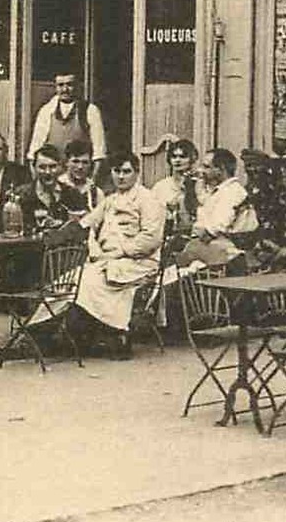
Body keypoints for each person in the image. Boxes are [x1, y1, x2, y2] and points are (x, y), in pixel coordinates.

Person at [69, 153, 166, 358]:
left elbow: (152, 238)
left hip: (138, 262)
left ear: (137, 173)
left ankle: (114, 332)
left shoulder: (148, 199)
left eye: (126, 171)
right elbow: (87, 224)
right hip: (108, 259)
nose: (121, 177)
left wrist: (121, 252)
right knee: (76, 278)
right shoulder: (110, 200)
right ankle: (86, 333)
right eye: (116, 171)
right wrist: (67, 228)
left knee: (90, 280)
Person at [179, 148, 259, 268]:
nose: (201, 171)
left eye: (206, 167)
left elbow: (210, 232)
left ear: (220, 169)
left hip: (227, 256)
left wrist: (197, 232)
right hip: (214, 253)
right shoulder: (218, 191)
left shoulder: (233, 192)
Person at [27, 72, 108, 162]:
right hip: (53, 170)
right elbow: (35, 146)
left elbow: (99, 152)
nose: (65, 89)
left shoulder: (90, 110)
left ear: (77, 86)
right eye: (60, 85)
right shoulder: (46, 111)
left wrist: (93, 176)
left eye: (69, 85)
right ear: (55, 87)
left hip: (80, 170)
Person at [16, 144, 88, 234]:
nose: (48, 172)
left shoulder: (72, 194)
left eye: (53, 167)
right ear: (34, 168)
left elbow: (83, 226)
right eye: (42, 167)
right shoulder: (21, 194)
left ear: (61, 167)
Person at [149, 138, 200, 242]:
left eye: (183, 157)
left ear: (192, 159)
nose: (177, 160)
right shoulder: (161, 186)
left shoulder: (199, 185)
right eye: (174, 156)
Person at [59, 137, 103, 212]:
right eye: (75, 161)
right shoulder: (57, 187)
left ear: (90, 164)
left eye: (85, 162)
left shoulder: (95, 193)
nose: (80, 167)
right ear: (66, 162)